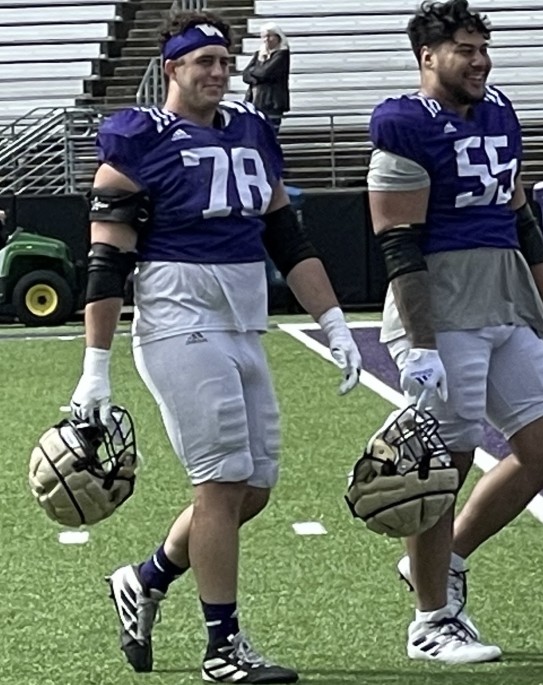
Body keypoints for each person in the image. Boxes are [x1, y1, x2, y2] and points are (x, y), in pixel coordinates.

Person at [68, 10, 361, 683]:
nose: (218, 73)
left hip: (243, 321)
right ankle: (222, 646)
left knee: (253, 489)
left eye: (226, 62)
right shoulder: (140, 139)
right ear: (171, 67)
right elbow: (106, 260)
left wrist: (335, 321)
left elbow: (288, 238)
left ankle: (144, 579)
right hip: (179, 320)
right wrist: (95, 370)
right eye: (204, 62)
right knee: (222, 482)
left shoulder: (254, 134)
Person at [367, 0, 543, 664]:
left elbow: (522, 218)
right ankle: (430, 620)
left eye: (481, 48)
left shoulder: (499, 111)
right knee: (446, 462)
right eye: (464, 49)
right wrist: (422, 342)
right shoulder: (404, 124)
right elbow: (398, 243)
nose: (479, 60)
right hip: (442, 312)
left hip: (504, 304)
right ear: (426, 57)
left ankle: (446, 558)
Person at [241, 22, 291, 133]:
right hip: (254, 100)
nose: (266, 39)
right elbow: (245, 74)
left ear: (278, 37)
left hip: (271, 102)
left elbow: (265, 72)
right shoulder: (259, 53)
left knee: (269, 133)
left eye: (270, 36)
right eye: (264, 37)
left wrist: (253, 73)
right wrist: (256, 77)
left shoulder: (282, 54)